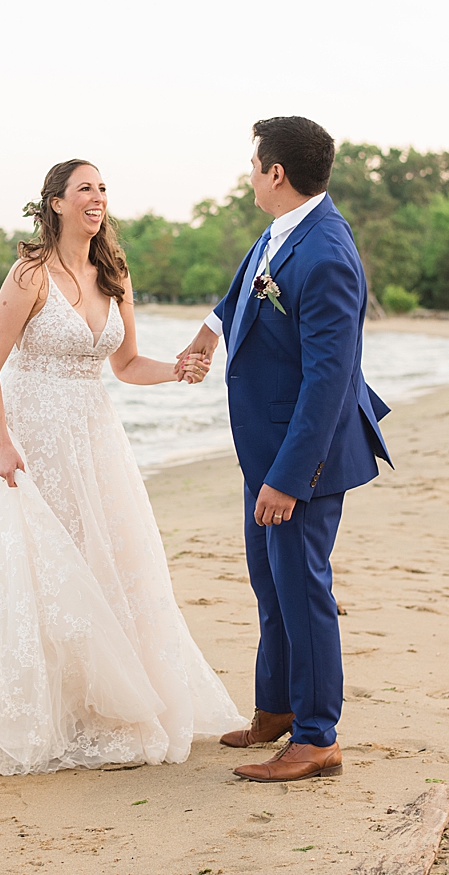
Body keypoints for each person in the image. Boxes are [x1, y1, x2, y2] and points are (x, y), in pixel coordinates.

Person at [0, 159, 246, 776]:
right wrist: (2, 444)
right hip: (28, 439)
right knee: (32, 573)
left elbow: (127, 364)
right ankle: (18, 710)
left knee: (99, 564)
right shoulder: (30, 274)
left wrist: (178, 368)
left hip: (93, 439)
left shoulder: (114, 273)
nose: (98, 197)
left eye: (103, 188)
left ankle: (85, 708)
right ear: (55, 203)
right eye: (85, 188)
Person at [176, 117, 391, 783]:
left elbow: (330, 380)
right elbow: (248, 282)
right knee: (269, 581)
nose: (248, 174)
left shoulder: (327, 252)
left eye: (253, 165)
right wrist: (210, 333)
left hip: (304, 457)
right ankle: (275, 707)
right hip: (264, 447)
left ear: (276, 173)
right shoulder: (283, 228)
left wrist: (291, 478)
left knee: (302, 586)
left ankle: (317, 734)